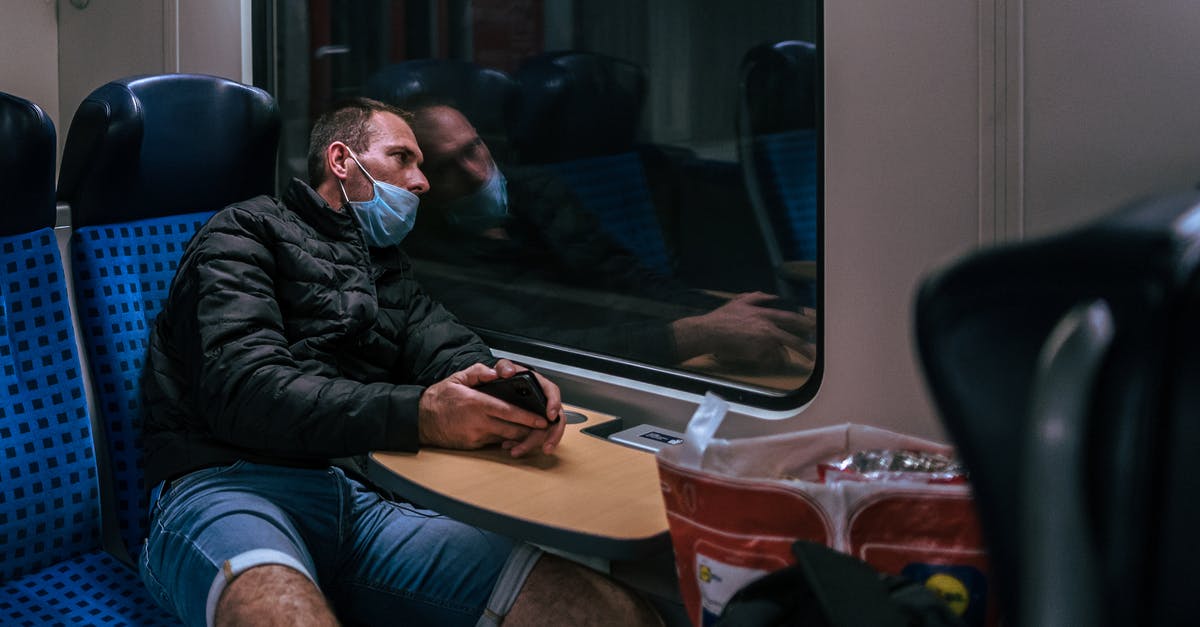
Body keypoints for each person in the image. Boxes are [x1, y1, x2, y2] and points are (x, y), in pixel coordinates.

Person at [139, 97, 663, 627]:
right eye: (403, 158)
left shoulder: (389, 271)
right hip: (227, 486)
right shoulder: (244, 234)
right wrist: (423, 414)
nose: (423, 182)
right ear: (342, 162)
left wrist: (504, 387)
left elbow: (447, 349)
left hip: (361, 502)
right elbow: (245, 390)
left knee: (608, 612)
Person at [404, 104, 815, 370]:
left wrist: (742, 315)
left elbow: (625, 277)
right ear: (420, 182)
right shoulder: (427, 260)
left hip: (642, 347)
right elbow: (541, 346)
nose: (476, 172)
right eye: (446, 167)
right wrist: (699, 332)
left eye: (474, 148)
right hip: (589, 379)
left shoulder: (536, 190)